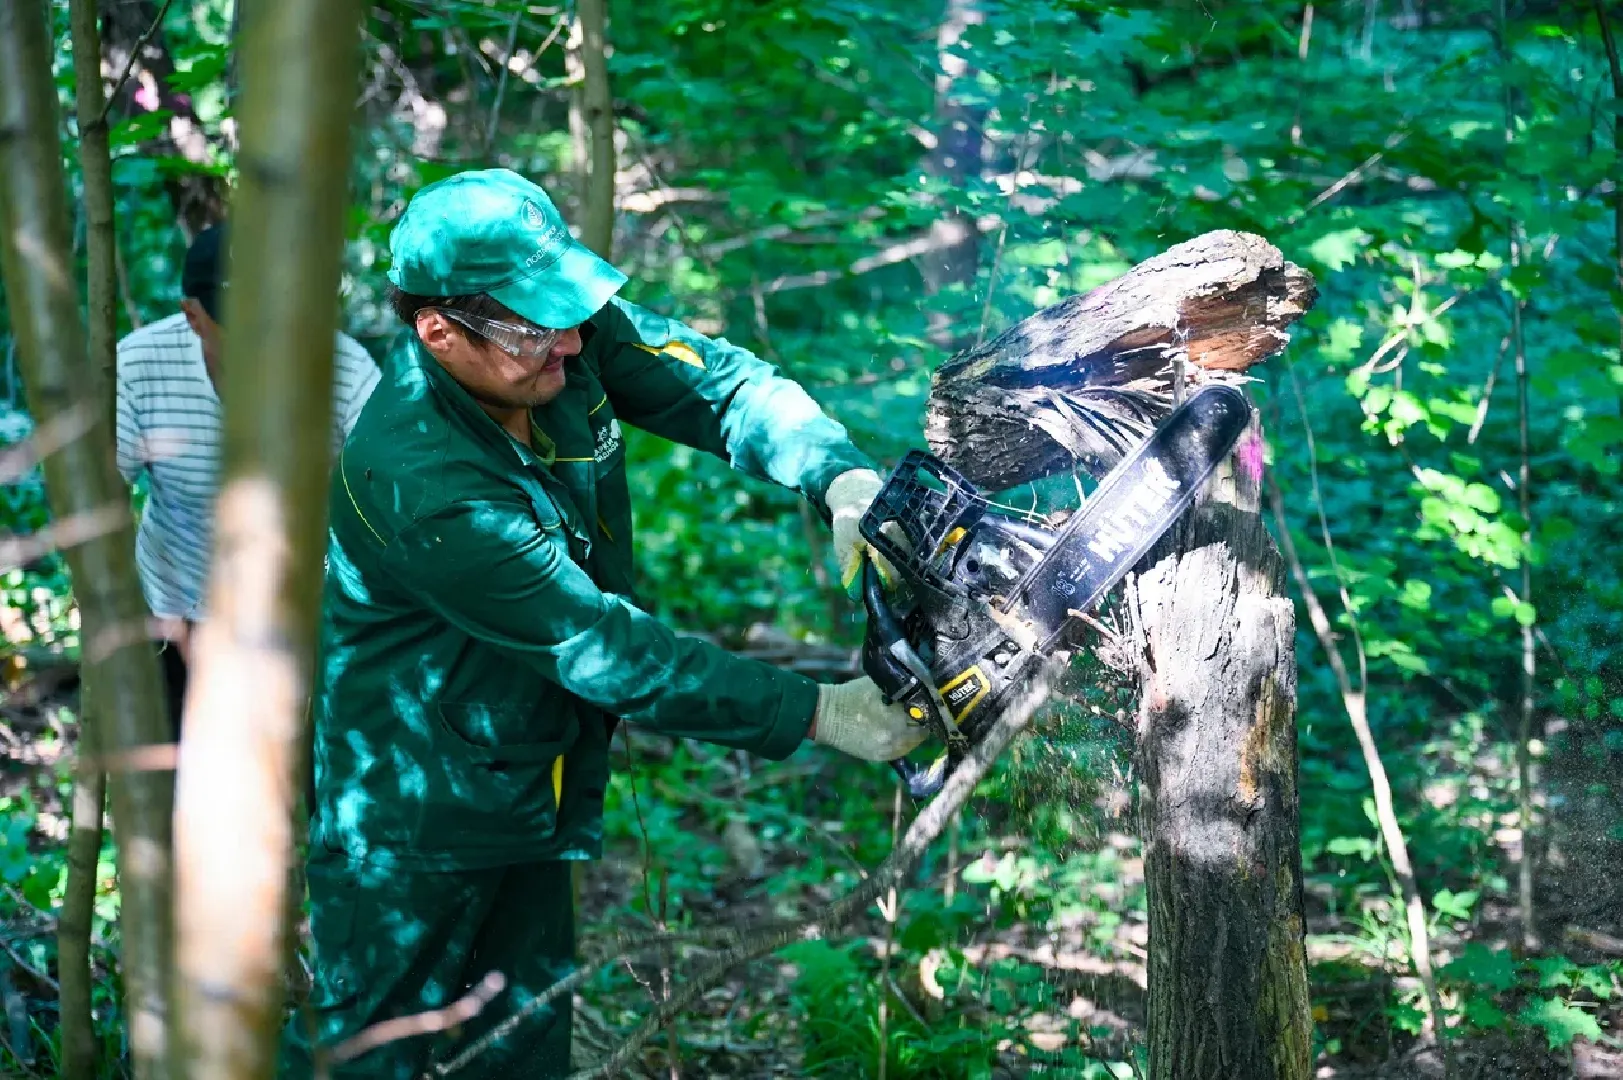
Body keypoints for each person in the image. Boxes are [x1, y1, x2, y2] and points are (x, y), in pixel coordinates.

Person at [282, 168, 925, 1078]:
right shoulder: (421, 482)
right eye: (538, 324)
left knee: (521, 1049)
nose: (574, 340)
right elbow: (603, 648)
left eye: (572, 309)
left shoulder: (557, 341)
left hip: (527, 779)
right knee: (378, 1059)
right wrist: (817, 714)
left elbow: (722, 386)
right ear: (437, 330)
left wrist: (838, 475)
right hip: (414, 820)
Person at [114, 224, 381, 738]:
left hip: (300, 618)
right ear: (194, 316)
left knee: (294, 791)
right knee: (179, 790)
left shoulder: (341, 366)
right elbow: (98, 500)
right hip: (178, 616)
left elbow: (389, 492)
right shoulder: (142, 366)